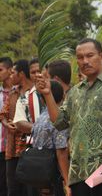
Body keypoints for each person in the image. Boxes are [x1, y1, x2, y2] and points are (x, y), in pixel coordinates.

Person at [36, 38, 102, 196]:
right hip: (79, 174)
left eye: (90, 55)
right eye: (80, 57)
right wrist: (48, 94)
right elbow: (59, 122)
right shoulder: (76, 91)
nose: (85, 61)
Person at [31, 80, 70, 196]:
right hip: (56, 175)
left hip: (40, 173)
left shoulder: (39, 119)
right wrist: (67, 182)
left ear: (42, 100)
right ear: (64, 96)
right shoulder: (59, 120)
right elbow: (61, 151)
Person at [0, 59, 33, 195]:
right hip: (12, 149)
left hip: (30, 149)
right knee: (13, 189)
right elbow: (3, 114)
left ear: (22, 74)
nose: (11, 76)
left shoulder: (35, 93)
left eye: (13, 73)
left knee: (30, 188)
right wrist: (7, 124)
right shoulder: (13, 95)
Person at [14, 58, 42, 134]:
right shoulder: (23, 98)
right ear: (29, 74)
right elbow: (19, 123)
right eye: (33, 72)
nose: (36, 75)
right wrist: (41, 129)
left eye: (39, 71)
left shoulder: (57, 92)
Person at [0, 57, 13, 196]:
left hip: (15, 148)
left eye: (0, 70)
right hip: (0, 147)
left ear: (10, 70)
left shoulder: (19, 92)